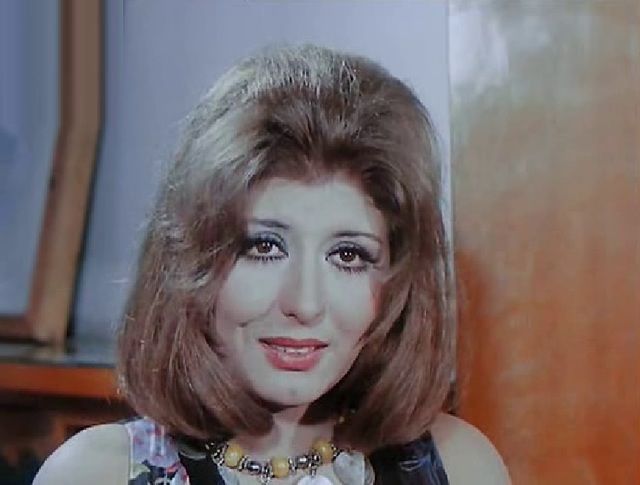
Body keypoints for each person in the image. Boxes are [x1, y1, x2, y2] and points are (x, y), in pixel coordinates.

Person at [34, 44, 509, 485]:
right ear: (191, 262)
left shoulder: (460, 466)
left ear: (397, 283)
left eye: (348, 256)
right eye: (263, 247)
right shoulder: (96, 474)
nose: (304, 303)